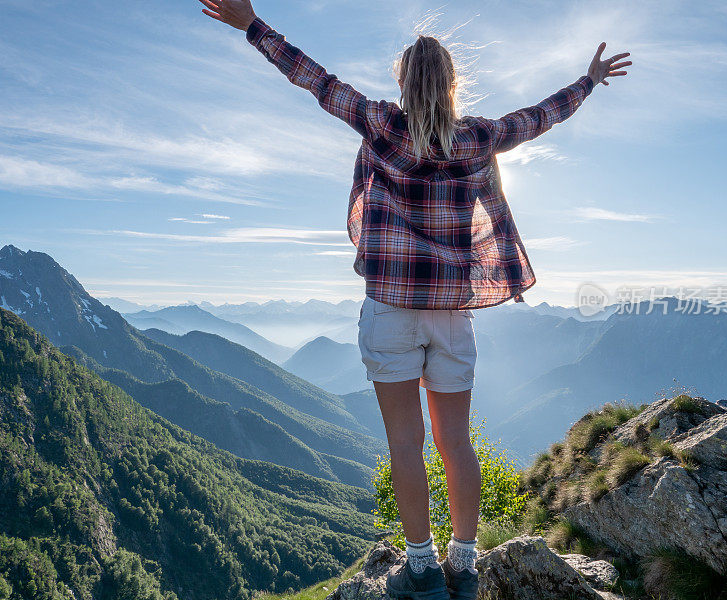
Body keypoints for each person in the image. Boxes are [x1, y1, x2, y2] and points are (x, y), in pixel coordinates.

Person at [198, 2, 630, 598]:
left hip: (390, 312)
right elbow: (539, 118)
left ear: (402, 82)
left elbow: (313, 78)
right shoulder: (477, 137)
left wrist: (252, 26)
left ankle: (423, 566)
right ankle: (467, 561)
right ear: (453, 84)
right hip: (452, 318)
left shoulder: (381, 125)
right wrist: (589, 81)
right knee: (457, 442)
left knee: (406, 443)